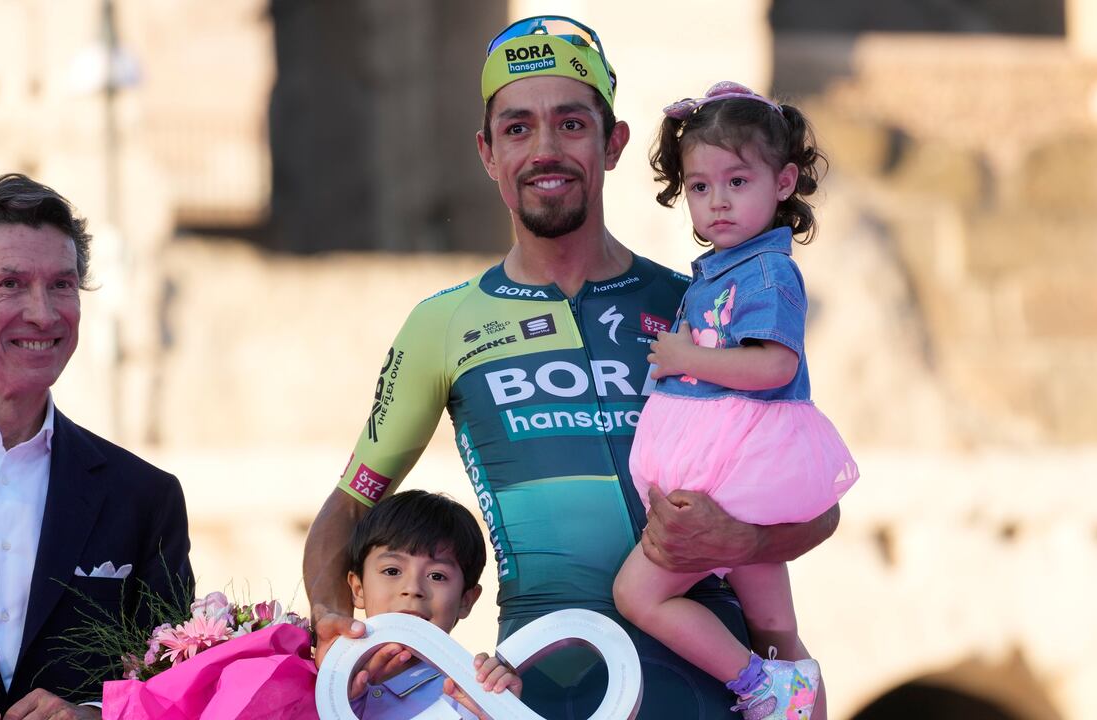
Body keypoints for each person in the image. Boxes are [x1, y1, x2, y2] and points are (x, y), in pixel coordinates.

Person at [304, 16, 840, 717]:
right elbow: (350, 504)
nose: (546, 149)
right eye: (518, 128)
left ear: (613, 143)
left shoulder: (697, 309)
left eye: (572, 124)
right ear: (487, 151)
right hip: (535, 687)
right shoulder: (443, 324)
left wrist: (742, 541)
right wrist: (326, 620)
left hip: (712, 684)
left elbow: (816, 508)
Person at [0, 174, 192, 720]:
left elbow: (178, 692)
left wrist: (96, 717)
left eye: (62, 285)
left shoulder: (145, 499)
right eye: (12, 284)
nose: (44, 314)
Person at [612, 81, 859, 718]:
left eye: (737, 182)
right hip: (736, 457)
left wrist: (685, 358)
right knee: (772, 618)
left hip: (735, 460)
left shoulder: (768, 272)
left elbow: (776, 364)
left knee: (639, 595)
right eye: (700, 187)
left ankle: (756, 684)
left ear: (783, 183)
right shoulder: (728, 267)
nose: (717, 202)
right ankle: (796, 690)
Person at [344, 490, 521, 719]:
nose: (413, 588)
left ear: (466, 600)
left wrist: (504, 711)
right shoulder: (322, 674)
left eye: (437, 576)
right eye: (392, 571)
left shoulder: (470, 696)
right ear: (358, 589)